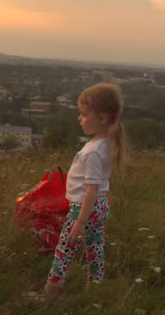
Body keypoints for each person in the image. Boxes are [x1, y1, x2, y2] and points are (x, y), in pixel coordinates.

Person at [43, 83, 126, 297]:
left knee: (65, 249)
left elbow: (91, 189)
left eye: (84, 114)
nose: (80, 119)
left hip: (85, 208)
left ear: (102, 118)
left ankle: (51, 291)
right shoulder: (107, 143)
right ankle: (95, 288)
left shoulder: (93, 152)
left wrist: (79, 223)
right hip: (101, 206)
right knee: (95, 248)